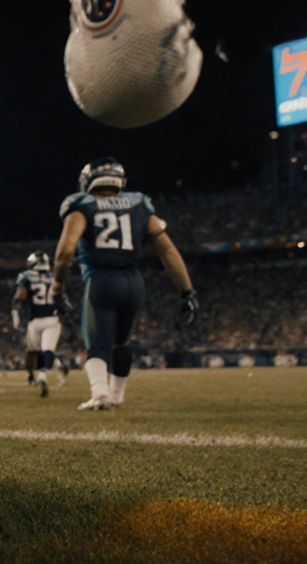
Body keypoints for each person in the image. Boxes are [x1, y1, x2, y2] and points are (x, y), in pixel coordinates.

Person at [53, 157, 199, 410]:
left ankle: (100, 394)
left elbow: (66, 252)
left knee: (96, 345)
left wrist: (57, 286)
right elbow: (168, 251)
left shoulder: (81, 204)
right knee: (122, 342)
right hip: (133, 283)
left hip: (101, 282)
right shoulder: (139, 203)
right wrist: (187, 291)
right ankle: (117, 395)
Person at [13, 251, 61, 397]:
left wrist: (15, 313)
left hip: (34, 321)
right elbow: (61, 296)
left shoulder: (25, 276)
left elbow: (20, 296)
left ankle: (34, 375)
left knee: (33, 350)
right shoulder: (54, 276)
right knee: (48, 349)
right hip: (52, 318)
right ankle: (43, 374)